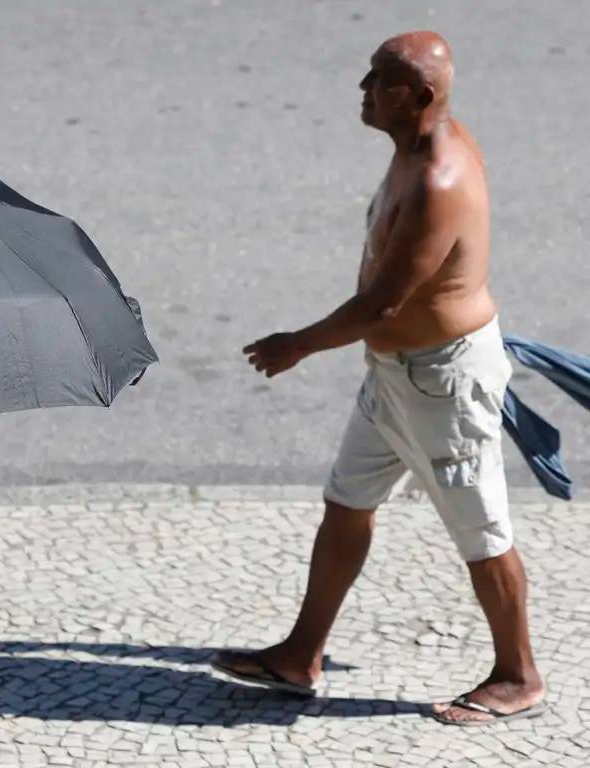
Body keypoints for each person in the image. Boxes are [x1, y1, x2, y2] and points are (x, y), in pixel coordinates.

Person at [213, 31, 546, 725]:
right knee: (347, 501)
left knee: (482, 533)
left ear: (419, 97)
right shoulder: (414, 150)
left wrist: (295, 346)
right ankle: (299, 654)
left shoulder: (438, 180)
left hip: (443, 384)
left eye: (378, 81)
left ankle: (518, 676)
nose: (362, 91)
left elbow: (381, 304)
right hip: (397, 374)